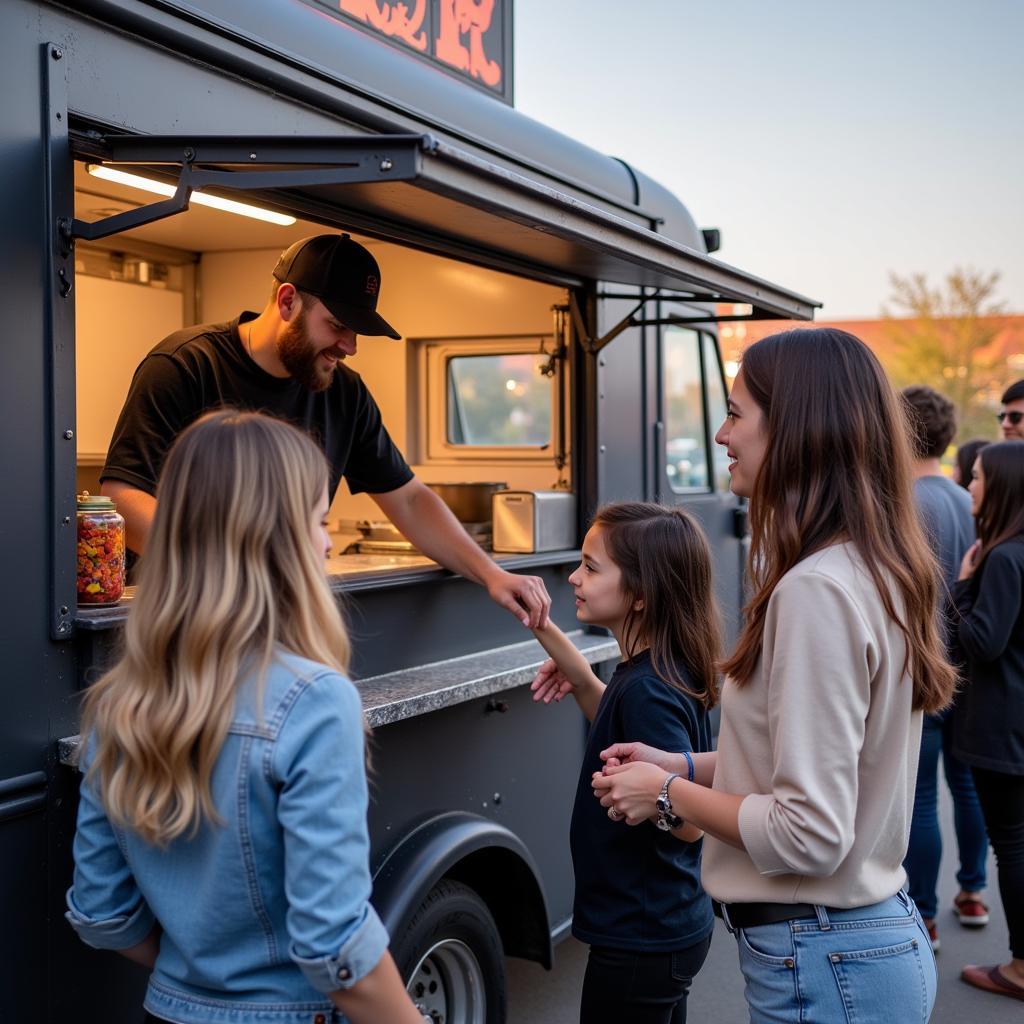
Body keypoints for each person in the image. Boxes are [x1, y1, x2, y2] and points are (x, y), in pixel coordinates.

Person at [593, 328, 956, 1023]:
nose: (722, 434)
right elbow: (821, 765)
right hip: (847, 949)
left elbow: (810, 832)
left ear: (794, 429)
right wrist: (689, 764)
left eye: (735, 413)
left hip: (826, 956)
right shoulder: (866, 568)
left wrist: (665, 792)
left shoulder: (816, 590)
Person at [66, 410, 428, 1024]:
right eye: (318, 521)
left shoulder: (117, 702)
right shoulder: (314, 700)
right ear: (275, 540)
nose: (329, 542)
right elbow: (335, 946)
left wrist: (204, 984)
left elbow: (101, 914)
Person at [100, 232, 550, 629]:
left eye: (356, 332)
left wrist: (491, 573)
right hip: (184, 613)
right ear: (287, 301)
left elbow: (410, 499)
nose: (349, 347)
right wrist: (237, 567)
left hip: (286, 615)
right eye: (337, 326)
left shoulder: (344, 392)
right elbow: (123, 497)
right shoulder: (185, 365)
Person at [529, 502, 719, 1024]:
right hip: (663, 928)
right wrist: (545, 630)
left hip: (642, 934)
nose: (574, 577)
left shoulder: (647, 692)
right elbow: (605, 709)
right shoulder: (650, 670)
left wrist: (658, 796)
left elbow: (689, 827)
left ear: (640, 595)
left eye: (591, 567)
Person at [900, 386, 989, 950]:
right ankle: (973, 891)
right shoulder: (968, 500)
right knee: (967, 786)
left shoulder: (904, 504)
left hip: (923, 669)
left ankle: (925, 915)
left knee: (921, 798)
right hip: (972, 665)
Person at [953, 440, 1024, 1002]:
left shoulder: (1001, 558)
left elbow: (983, 641)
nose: (969, 486)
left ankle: (1021, 966)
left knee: (1013, 845)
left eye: (976, 477)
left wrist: (960, 584)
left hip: (1000, 726)